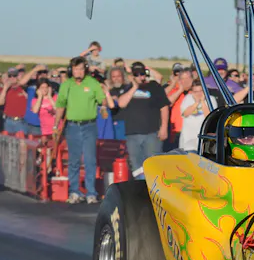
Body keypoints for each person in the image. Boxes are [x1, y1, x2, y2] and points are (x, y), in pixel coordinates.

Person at [54, 56, 114, 204]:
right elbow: (60, 105)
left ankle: (91, 193)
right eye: (76, 69)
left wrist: (104, 105)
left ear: (85, 70)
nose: (78, 72)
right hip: (72, 126)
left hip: (89, 126)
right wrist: (56, 125)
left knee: (89, 160)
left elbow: (101, 99)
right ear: (71, 70)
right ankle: (74, 191)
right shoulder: (66, 85)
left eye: (81, 69)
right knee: (74, 160)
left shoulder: (92, 83)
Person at [116, 62, 170, 178]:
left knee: (153, 165)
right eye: (137, 74)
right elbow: (121, 104)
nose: (140, 77)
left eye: (142, 74)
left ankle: (153, 188)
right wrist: (134, 87)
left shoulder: (155, 87)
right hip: (132, 134)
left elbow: (164, 107)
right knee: (136, 167)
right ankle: (140, 187)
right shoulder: (127, 87)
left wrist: (164, 127)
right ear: (132, 76)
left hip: (152, 133)